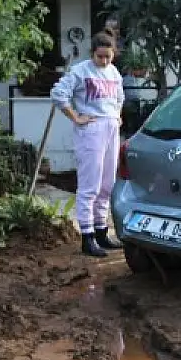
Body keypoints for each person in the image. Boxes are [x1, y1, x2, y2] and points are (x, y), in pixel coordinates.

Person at [51, 31, 126, 258]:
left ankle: (102, 231)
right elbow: (58, 93)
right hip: (91, 129)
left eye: (108, 57)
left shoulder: (113, 72)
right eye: (100, 56)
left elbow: (120, 97)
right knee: (89, 184)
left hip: (111, 128)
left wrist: (117, 115)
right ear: (92, 53)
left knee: (106, 184)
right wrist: (76, 117)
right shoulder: (81, 71)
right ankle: (87, 236)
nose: (104, 61)